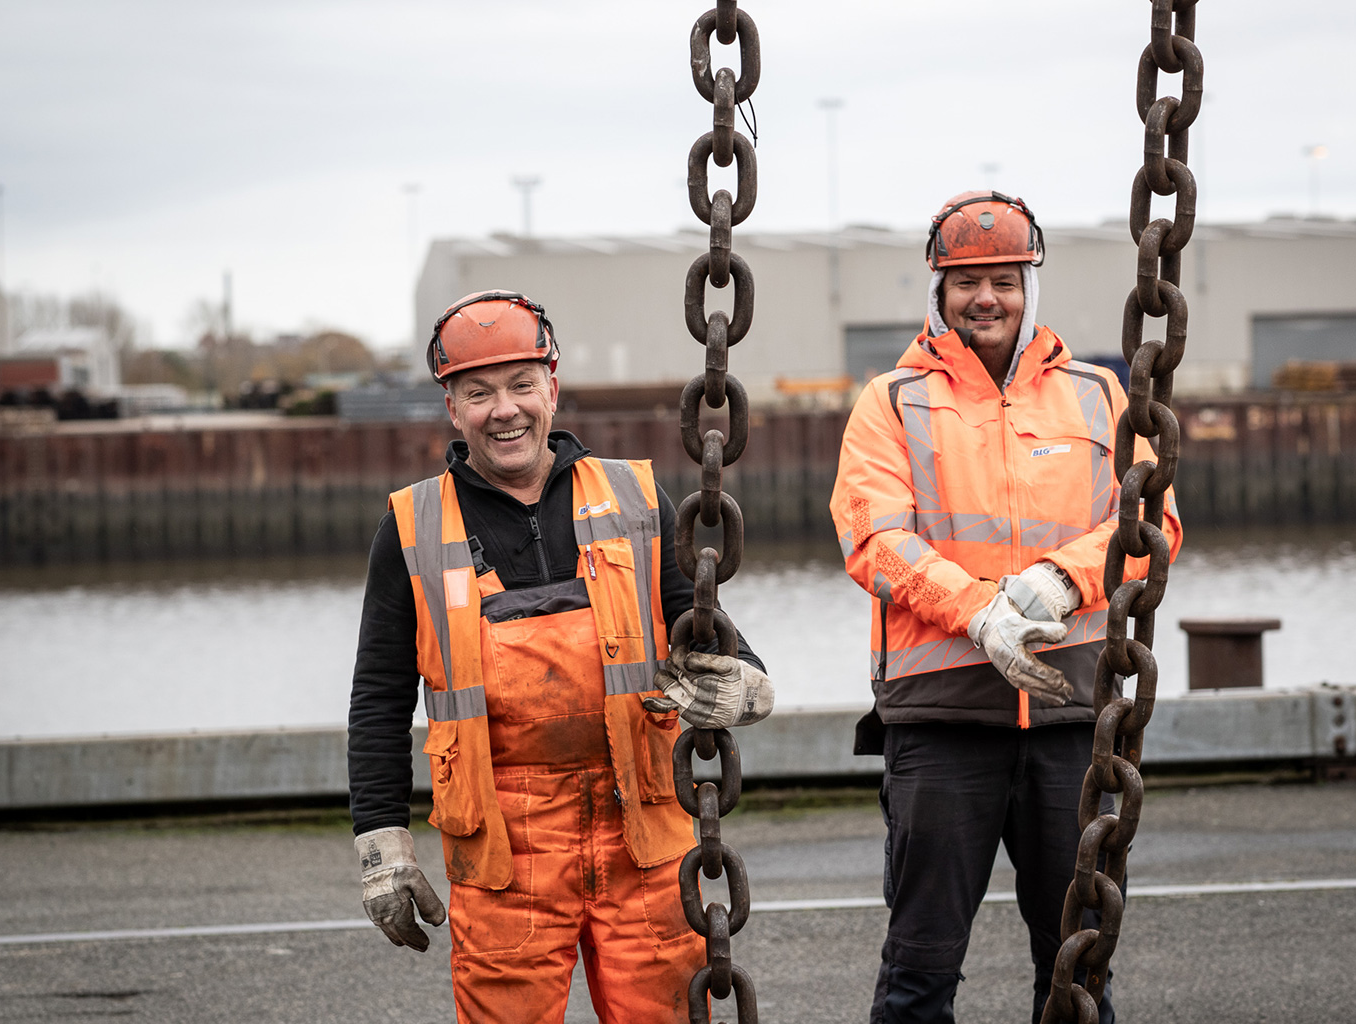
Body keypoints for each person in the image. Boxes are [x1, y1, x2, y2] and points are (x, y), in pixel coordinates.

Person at [347, 290, 773, 1024]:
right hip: (505, 847)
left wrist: (746, 682)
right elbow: (379, 699)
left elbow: (700, 621)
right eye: (478, 393)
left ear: (552, 385)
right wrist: (382, 840)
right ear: (452, 407)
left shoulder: (634, 499)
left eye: (520, 385)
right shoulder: (412, 528)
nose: (503, 410)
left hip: (642, 826)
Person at [830, 192, 1182, 1024]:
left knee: (1075, 966)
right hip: (942, 721)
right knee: (919, 968)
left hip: (1072, 727)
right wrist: (981, 612)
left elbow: (1152, 518)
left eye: (1003, 279)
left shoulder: (1100, 398)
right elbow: (874, 538)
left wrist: (1064, 579)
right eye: (965, 282)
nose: (985, 297)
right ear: (937, 292)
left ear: (1030, 285)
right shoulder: (892, 402)